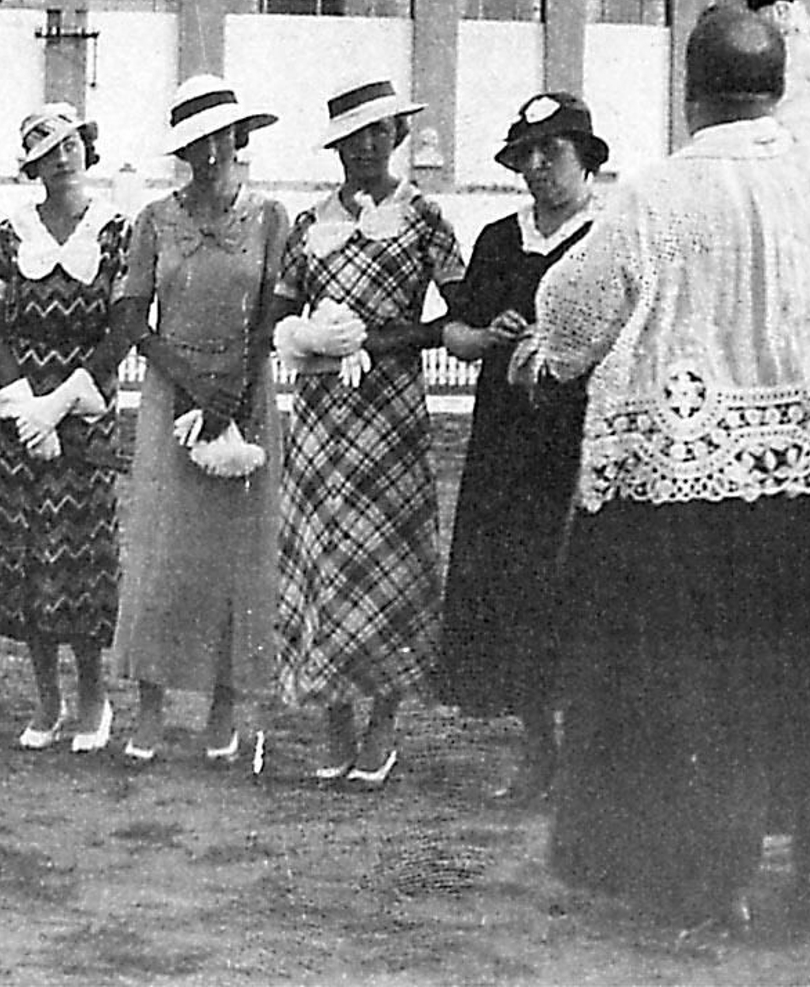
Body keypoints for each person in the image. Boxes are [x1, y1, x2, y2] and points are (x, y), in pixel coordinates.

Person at [513, 7, 810, 931]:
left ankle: (712, 895)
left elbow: (574, 309)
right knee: (807, 674)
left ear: (689, 93)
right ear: (772, 90)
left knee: (691, 693)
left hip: (685, 486)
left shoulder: (657, 194)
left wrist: (548, 361)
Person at [271, 75, 467, 788]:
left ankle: (384, 719)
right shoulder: (307, 224)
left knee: (386, 561)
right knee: (325, 559)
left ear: (397, 138)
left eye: (377, 134)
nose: (364, 148)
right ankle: (334, 722)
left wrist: (381, 342)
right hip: (323, 412)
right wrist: (309, 335)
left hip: (390, 412)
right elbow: (276, 315)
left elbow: (458, 313)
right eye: (351, 138)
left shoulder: (423, 218)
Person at [108, 75, 288, 766]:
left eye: (220, 137)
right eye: (195, 142)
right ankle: (150, 710)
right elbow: (130, 316)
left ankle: (223, 708)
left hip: (245, 394)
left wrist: (235, 387)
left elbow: (275, 308)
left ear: (239, 139)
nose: (210, 152)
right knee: (162, 552)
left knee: (235, 555)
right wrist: (187, 383)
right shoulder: (155, 219)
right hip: (171, 398)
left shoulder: (271, 218)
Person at [438, 93, 606, 802]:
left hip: (586, 438)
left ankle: (595, 759)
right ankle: (538, 750)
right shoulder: (500, 240)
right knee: (515, 587)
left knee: (585, 586)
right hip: (507, 442)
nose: (537, 167)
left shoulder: (611, 235)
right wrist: (486, 339)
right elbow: (455, 331)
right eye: (526, 156)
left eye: (552, 152)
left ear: (586, 157)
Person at [0, 105, 129, 753]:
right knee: (27, 558)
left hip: (81, 410)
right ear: (32, 165)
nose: (63, 158)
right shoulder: (11, 231)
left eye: (71, 145)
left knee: (79, 556)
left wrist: (63, 401)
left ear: (88, 148)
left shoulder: (116, 230)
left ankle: (92, 698)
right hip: (21, 414)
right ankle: (46, 700)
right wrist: (24, 402)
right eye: (48, 151)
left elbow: (123, 327)